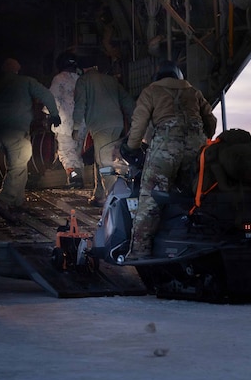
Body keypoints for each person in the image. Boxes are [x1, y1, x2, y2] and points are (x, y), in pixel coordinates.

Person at [120, 59, 217, 260]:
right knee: (195, 195)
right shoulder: (193, 92)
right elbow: (211, 120)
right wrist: (202, 139)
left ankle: (140, 251)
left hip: (165, 148)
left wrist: (131, 147)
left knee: (151, 197)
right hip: (196, 148)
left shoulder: (151, 92)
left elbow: (138, 125)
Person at [0, 57, 61, 223]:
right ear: (17, 69)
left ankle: (19, 201)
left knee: (19, 164)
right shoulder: (26, 82)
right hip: (17, 132)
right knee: (18, 167)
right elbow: (46, 94)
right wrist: (54, 114)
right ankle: (4, 200)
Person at [72, 57, 135, 206]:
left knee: (105, 163)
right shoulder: (111, 80)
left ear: (81, 70)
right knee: (100, 158)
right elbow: (127, 101)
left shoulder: (83, 81)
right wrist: (135, 122)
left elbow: (80, 104)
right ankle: (99, 194)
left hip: (100, 126)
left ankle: (114, 201)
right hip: (117, 125)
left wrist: (75, 127)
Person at [48, 52, 85, 189]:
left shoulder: (59, 79)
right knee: (77, 152)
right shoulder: (81, 80)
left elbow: (51, 99)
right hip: (81, 124)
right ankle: (78, 178)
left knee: (67, 153)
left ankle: (75, 179)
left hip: (64, 124)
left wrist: (50, 116)